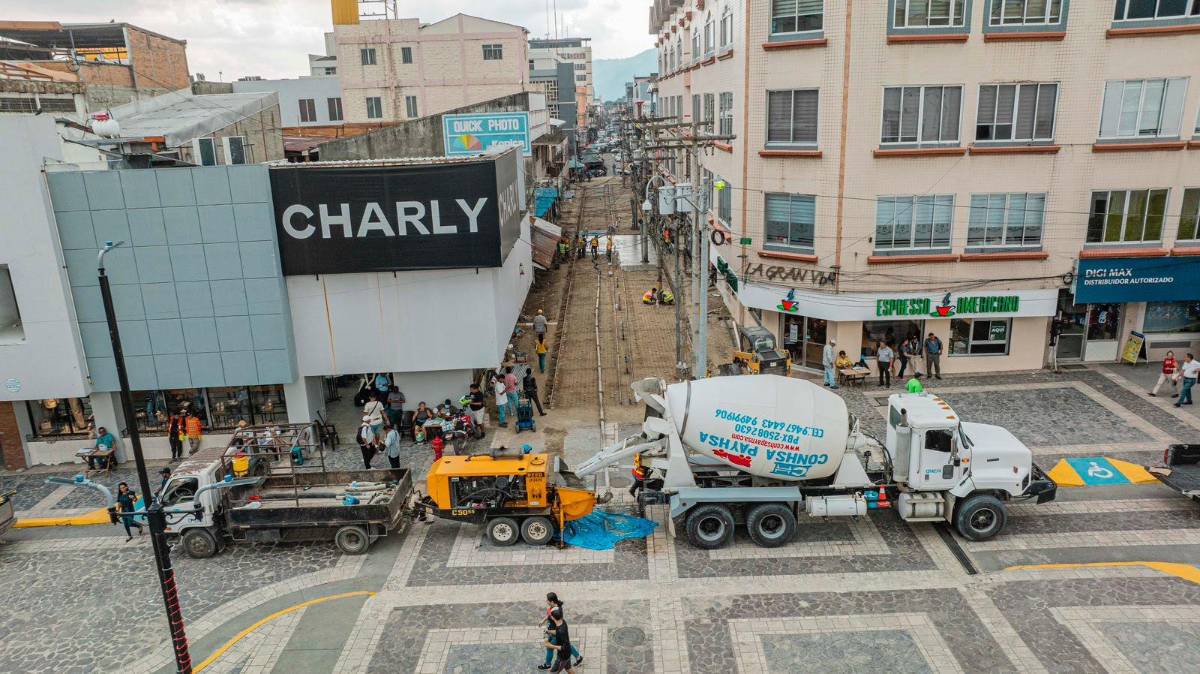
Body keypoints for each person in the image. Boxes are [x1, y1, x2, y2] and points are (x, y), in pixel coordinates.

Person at [539, 593, 583, 671]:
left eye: (547, 600)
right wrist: (543, 620)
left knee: (550, 648)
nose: (546, 601)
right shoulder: (555, 607)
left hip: (554, 634)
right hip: (553, 632)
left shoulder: (557, 615)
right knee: (567, 646)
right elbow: (549, 615)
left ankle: (548, 664)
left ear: (552, 601)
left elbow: (558, 632)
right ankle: (578, 657)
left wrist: (548, 631)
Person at [542, 607, 576, 673]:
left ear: (553, 618)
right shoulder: (562, 622)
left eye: (551, 615)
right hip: (567, 654)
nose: (549, 616)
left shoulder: (561, 631)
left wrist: (550, 645)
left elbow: (564, 647)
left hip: (562, 657)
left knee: (552, 673)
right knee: (569, 669)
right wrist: (549, 631)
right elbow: (557, 632)